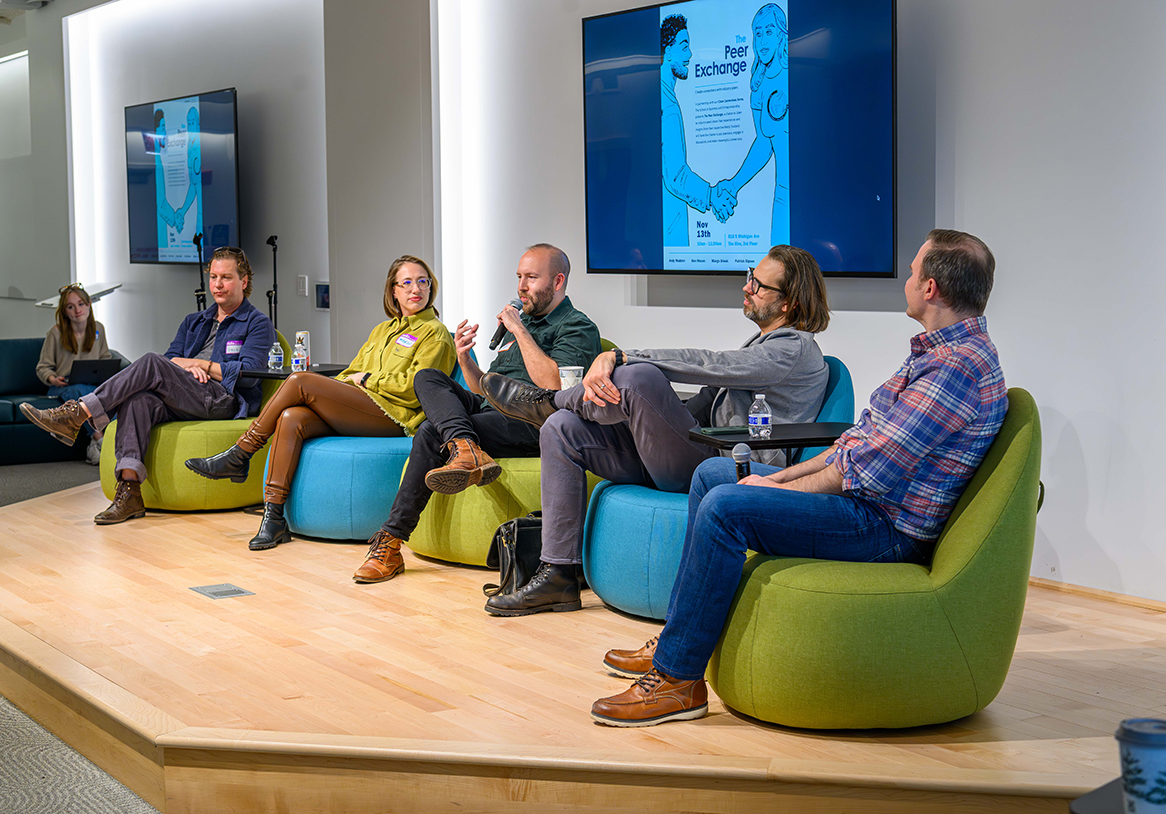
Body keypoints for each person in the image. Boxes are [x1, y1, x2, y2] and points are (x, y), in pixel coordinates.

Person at [591, 229, 1008, 727]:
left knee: (726, 507)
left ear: (932, 288)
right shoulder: (936, 355)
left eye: (915, 269)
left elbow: (868, 469)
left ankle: (679, 680)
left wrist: (777, 487)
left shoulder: (956, 368)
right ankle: (680, 633)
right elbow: (852, 445)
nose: (907, 279)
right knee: (712, 473)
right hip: (868, 503)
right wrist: (781, 477)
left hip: (885, 529)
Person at [481, 245, 831, 616]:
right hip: (695, 450)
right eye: (750, 276)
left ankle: (552, 399)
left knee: (638, 375)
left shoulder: (793, 349)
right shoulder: (764, 345)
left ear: (788, 304)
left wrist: (623, 355)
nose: (746, 288)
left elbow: (714, 364)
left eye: (758, 285)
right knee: (561, 428)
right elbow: (703, 403)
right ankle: (558, 576)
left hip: (725, 468)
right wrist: (645, 416)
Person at [354, 244, 601, 585]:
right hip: (493, 408)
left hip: (532, 419)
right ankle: (465, 447)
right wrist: (465, 359)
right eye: (519, 277)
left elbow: (555, 384)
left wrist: (520, 331)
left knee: (429, 431)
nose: (521, 287)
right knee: (428, 377)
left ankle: (392, 542)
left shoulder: (577, 327)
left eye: (531, 277)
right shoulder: (523, 320)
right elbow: (483, 389)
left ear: (558, 282)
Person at [184, 255, 457, 551]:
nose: (415, 288)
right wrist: (339, 390)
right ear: (393, 290)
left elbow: (417, 390)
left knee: (300, 380)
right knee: (292, 417)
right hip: (361, 407)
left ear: (432, 288)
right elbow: (350, 373)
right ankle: (273, 518)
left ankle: (241, 453)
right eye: (406, 282)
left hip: (394, 417)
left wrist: (367, 380)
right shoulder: (382, 331)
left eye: (422, 281)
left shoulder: (436, 334)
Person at [20, 247, 274, 526]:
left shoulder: (258, 323)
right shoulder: (194, 321)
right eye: (213, 276)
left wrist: (203, 366)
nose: (217, 284)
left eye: (225, 277)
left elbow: (249, 374)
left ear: (244, 281)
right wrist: (187, 365)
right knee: (138, 399)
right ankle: (129, 492)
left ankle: (77, 413)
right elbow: (170, 360)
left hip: (222, 398)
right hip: (185, 393)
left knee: (150, 362)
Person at [661, 13, 736, 245]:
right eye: (684, 47)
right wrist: (712, 196)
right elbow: (675, 174)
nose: (690, 55)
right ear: (667, 51)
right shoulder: (667, 106)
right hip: (668, 237)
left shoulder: (661, 99)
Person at [719, 4, 789, 245]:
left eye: (769, 32)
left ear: (782, 34)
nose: (762, 41)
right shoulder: (758, 86)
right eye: (758, 34)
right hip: (783, 197)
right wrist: (734, 184)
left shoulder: (797, 75)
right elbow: (763, 143)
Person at [35, 284, 113, 465]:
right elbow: (42, 367)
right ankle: (100, 438)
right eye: (71, 307)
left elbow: (105, 359)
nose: (77, 310)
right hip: (63, 388)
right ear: (65, 312)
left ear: (88, 305)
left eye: (81, 304)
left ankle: (96, 445)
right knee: (78, 392)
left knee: (103, 394)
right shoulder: (55, 333)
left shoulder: (98, 329)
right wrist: (53, 378)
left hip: (92, 386)